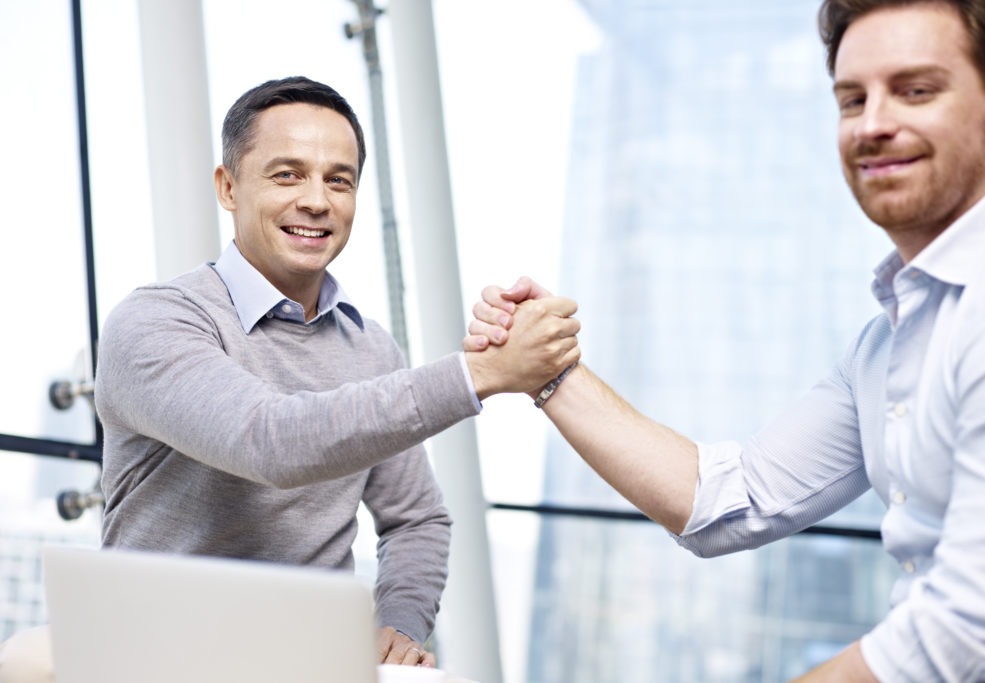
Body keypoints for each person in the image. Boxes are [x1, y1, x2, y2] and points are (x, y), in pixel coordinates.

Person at [466, 0, 985, 680]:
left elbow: (974, 623)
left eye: (915, 91)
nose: (874, 124)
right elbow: (732, 501)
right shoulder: (888, 342)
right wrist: (547, 370)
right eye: (852, 100)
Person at [0, 76, 581, 683]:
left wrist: (401, 625)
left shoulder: (371, 347)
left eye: (339, 180)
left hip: (305, 663)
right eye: (287, 175)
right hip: (153, 657)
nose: (317, 201)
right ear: (228, 187)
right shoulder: (155, 322)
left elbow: (417, 518)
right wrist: (483, 372)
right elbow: (271, 442)